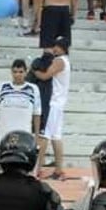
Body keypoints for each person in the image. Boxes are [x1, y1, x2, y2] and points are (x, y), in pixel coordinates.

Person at [32, 36, 70, 179]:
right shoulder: (65, 61)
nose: (54, 48)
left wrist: (34, 71)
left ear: (62, 48)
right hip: (60, 103)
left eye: (57, 46)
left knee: (44, 136)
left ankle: (37, 169)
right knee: (56, 137)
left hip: (53, 103)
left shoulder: (59, 61)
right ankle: (59, 169)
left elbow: (45, 76)